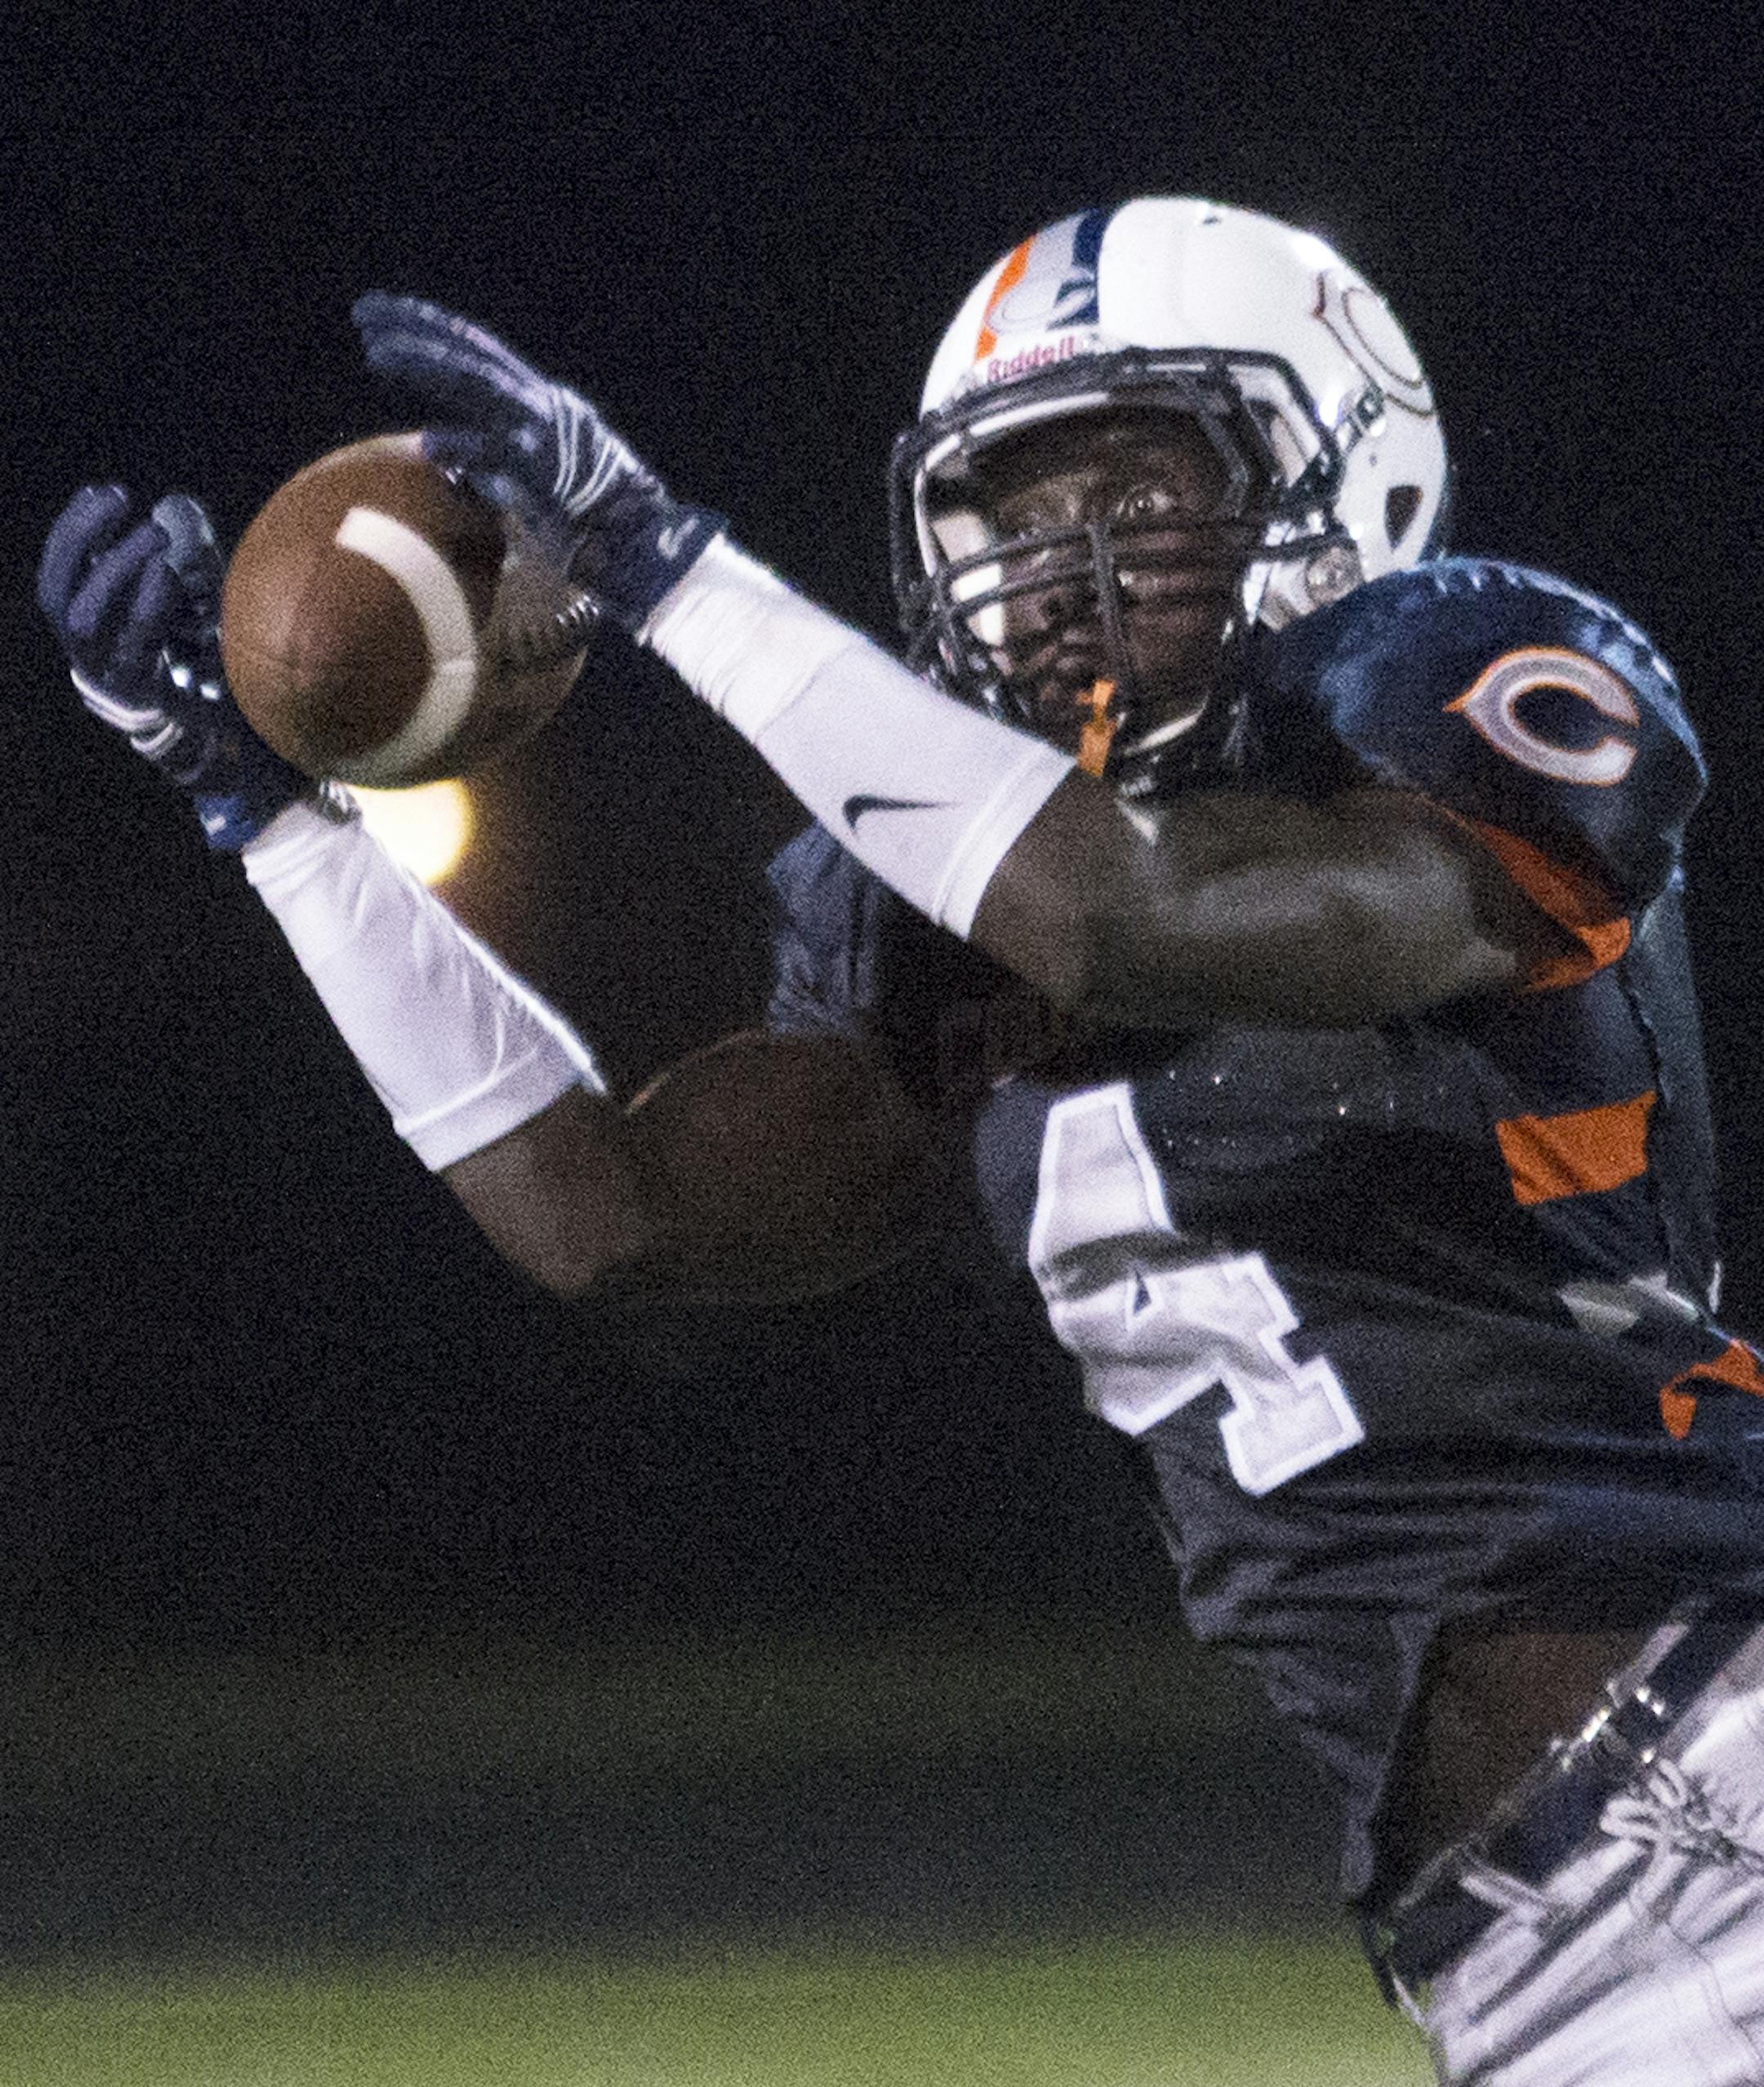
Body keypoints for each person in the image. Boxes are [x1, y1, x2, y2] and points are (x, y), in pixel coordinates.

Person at [38, 196, 1764, 2083]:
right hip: (1534, 1932)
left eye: (1132, 483)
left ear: (1333, 464)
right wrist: (275, 831)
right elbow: (614, 1212)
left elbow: (1134, 916)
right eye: (1012, 515)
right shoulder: (936, 917)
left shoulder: (1446, 705)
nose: (1063, 564)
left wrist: (678, 573)